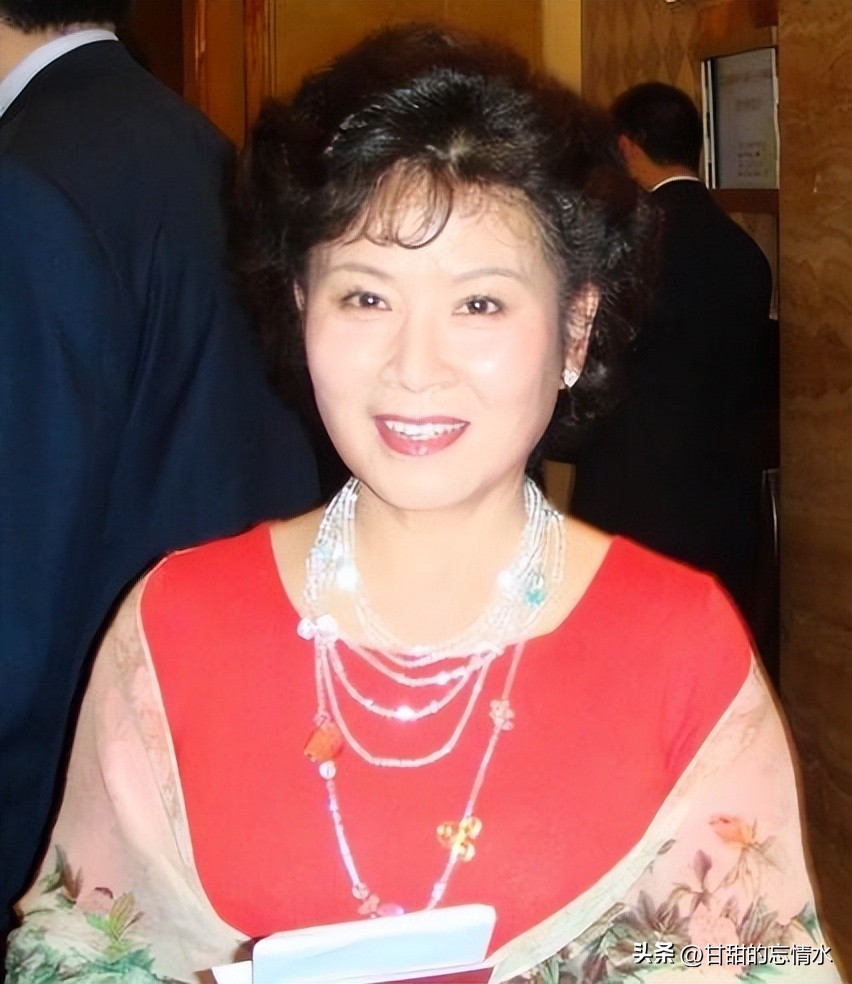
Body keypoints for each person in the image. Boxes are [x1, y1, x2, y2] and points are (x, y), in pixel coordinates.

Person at [6, 26, 838, 984]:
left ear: (574, 330)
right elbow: (73, 950)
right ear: (302, 307)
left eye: (479, 305)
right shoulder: (173, 624)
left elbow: (762, 956)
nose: (414, 366)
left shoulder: (680, 648)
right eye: (365, 298)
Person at [0, 0, 319, 940]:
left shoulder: (26, 180)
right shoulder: (202, 147)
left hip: (63, 805)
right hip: (224, 743)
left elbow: (15, 584)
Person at [569, 82, 772, 621]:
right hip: (725, 509)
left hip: (631, 504)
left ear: (627, 146)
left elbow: (592, 367)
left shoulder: (628, 248)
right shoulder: (745, 252)